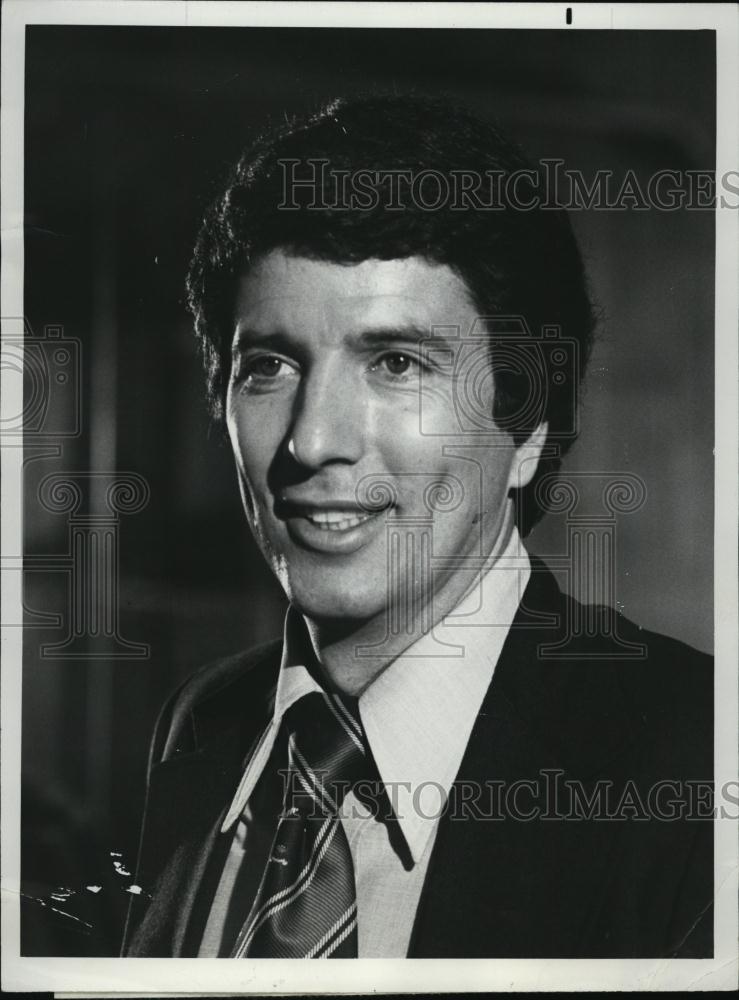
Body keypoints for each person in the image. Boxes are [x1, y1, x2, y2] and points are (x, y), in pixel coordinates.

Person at [122, 94, 713, 959]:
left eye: (395, 363)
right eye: (269, 367)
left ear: (526, 430)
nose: (312, 440)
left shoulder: (694, 759)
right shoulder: (205, 718)